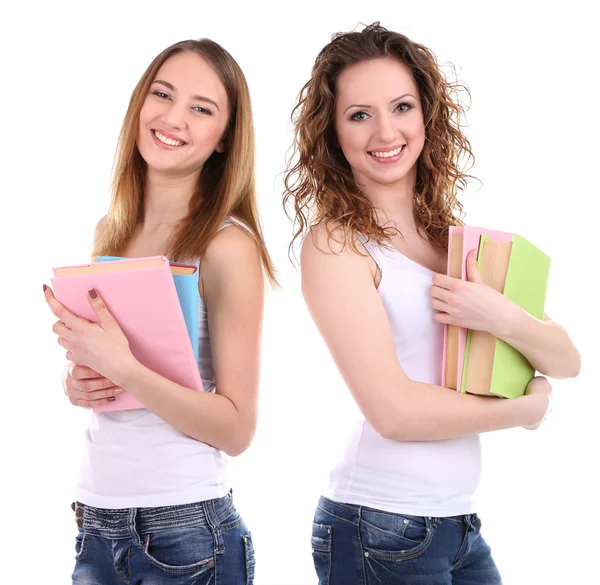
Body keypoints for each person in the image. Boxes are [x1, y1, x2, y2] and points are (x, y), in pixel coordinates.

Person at [283, 23, 580, 585]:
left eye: (401, 106)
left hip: (457, 524)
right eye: (359, 114)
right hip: (379, 527)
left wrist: (500, 317)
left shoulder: (451, 240)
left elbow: (566, 360)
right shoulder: (336, 244)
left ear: (427, 117)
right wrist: (523, 411)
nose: (385, 130)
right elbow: (393, 412)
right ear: (333, 133)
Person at [44, 38, 275, 585]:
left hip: (187, 534)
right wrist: (80, 382)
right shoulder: (112, 230)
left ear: (224, 140)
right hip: (96, 522)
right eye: (162, 95)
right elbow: (115, 373)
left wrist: (123, 368)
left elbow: (238, 430)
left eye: (202, 108)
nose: (174, 118)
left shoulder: (226, 247)